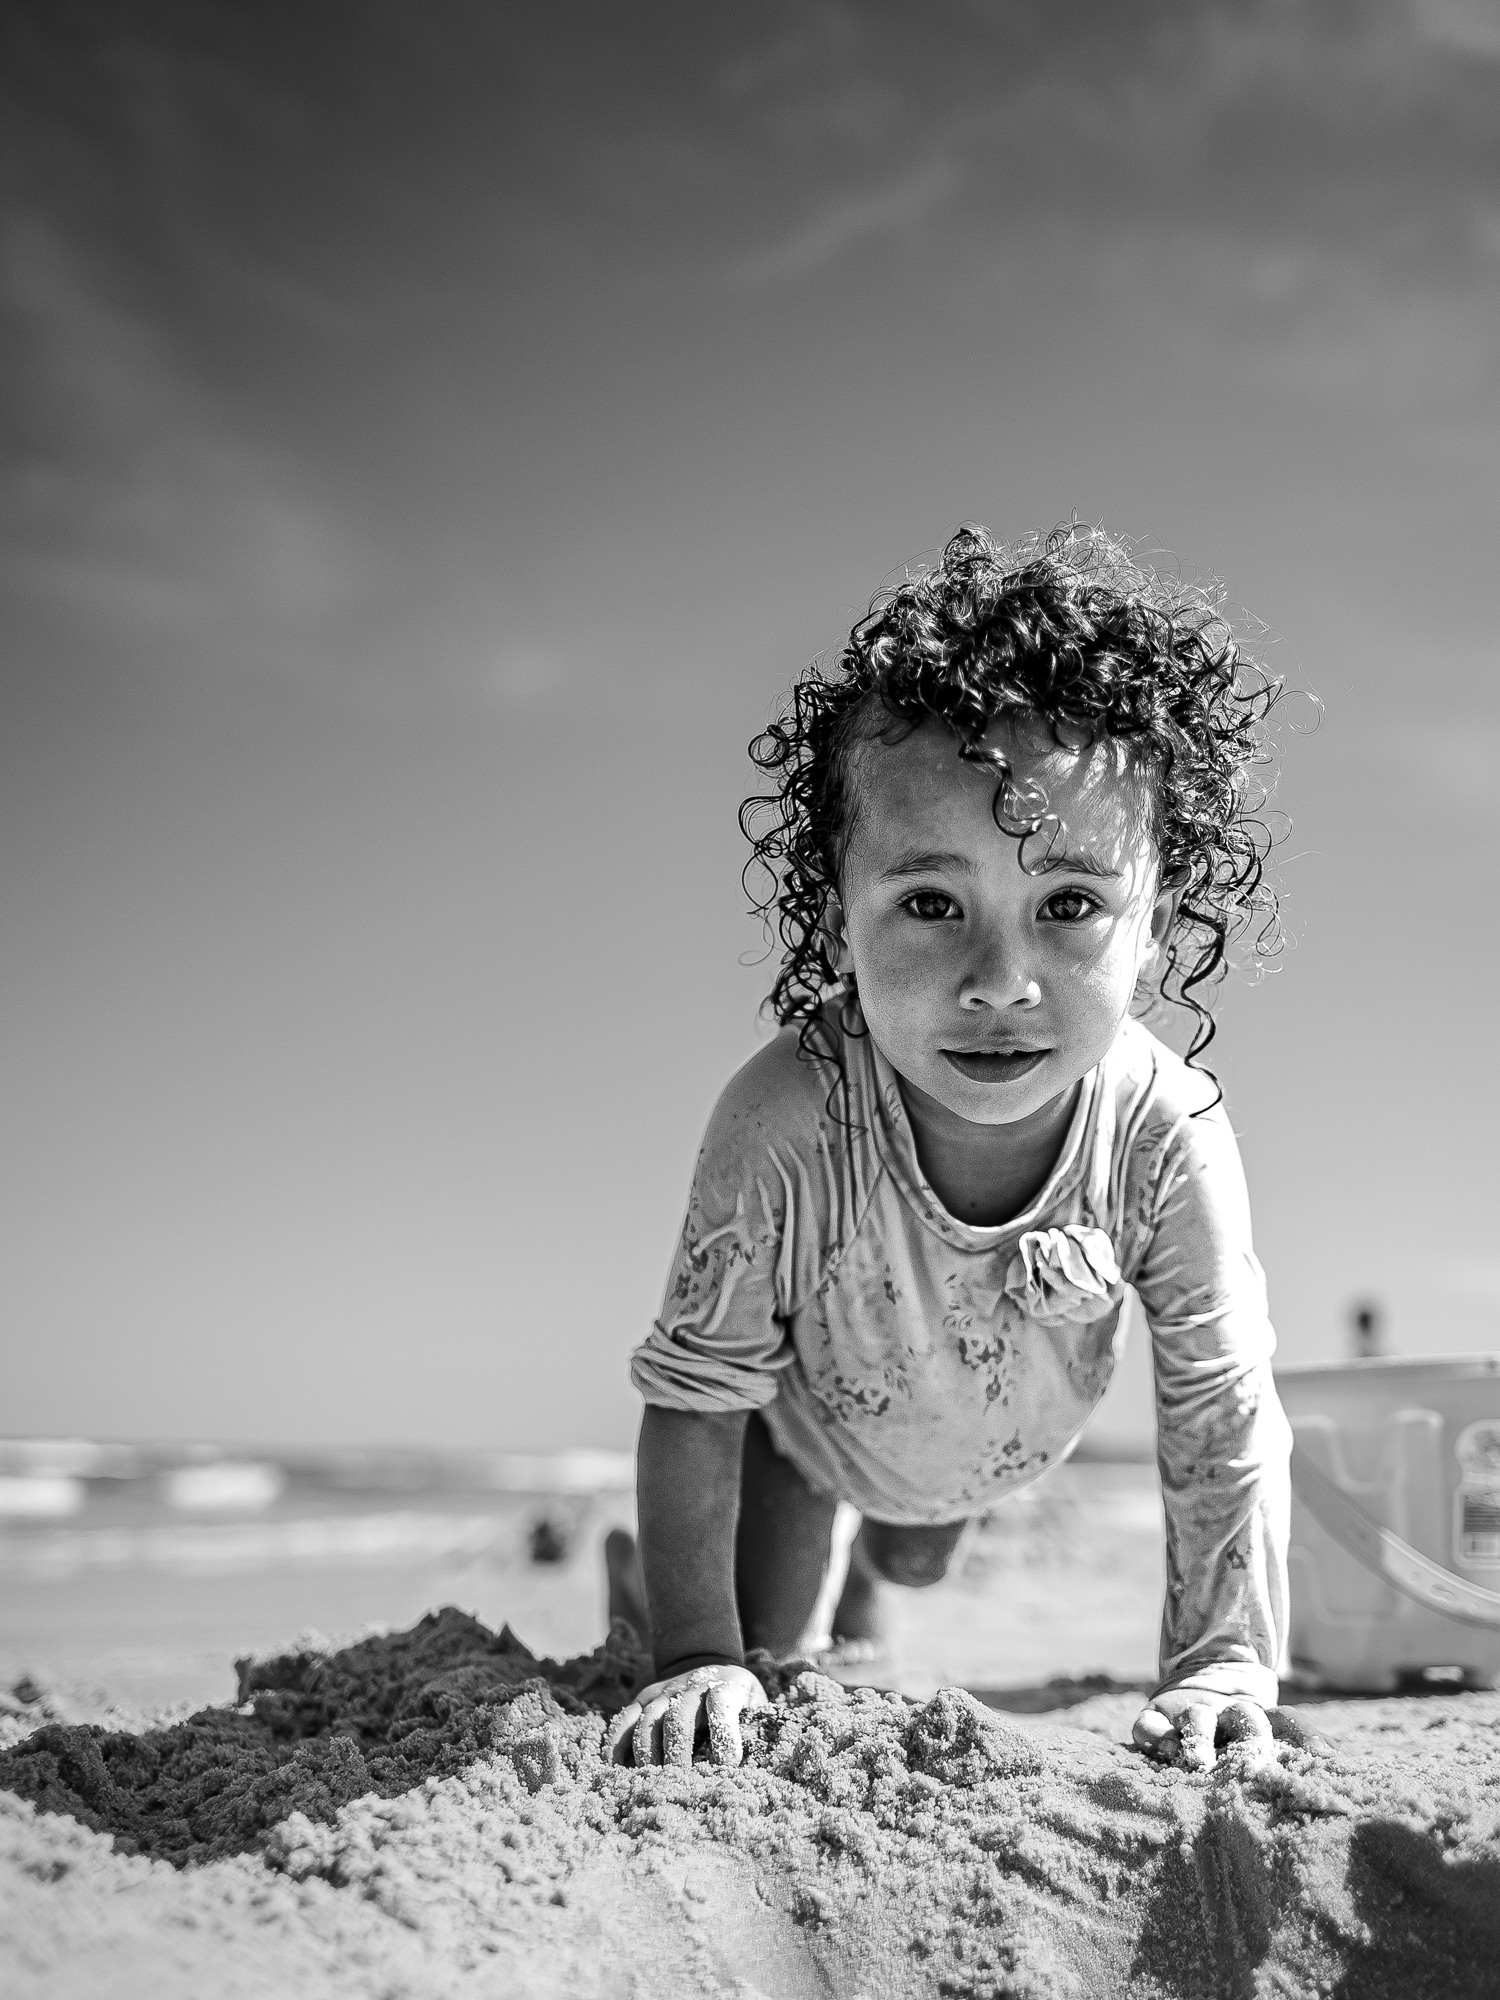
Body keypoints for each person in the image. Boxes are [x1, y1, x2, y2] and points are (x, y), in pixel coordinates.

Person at [607, 524, 1295, 1774]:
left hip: (992, 1446)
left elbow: (1220, 1401)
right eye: (931, 902)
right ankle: (649, 1592)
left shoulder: (1164, 1135)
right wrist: (690, 1650)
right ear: (837, 915)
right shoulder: (789, 1120)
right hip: (814, 1428)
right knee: (752, 1649)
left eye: (1070, 906)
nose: (1000, 981)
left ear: (1157, 927)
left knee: (916, 1547)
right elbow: (698, 1394)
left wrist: (1221, 1658)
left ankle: (885, 1570)